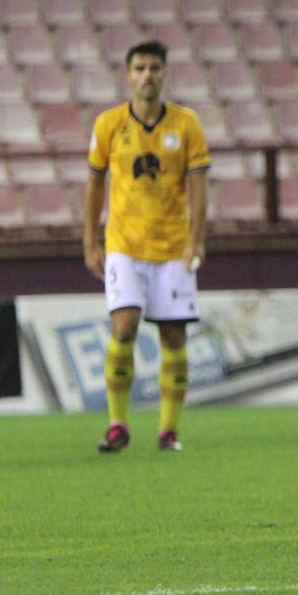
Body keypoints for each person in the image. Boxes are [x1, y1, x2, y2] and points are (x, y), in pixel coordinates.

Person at [84, 40, 210, 453]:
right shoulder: (108, 125)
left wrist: (196, 241)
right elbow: (94, 183)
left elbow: (198, 187)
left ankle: (168, 430)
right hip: (124, 242)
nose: (147, 75)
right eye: (139, 67)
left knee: (173, 335)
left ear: (164, 73)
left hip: (173, 245)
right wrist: (91, 239)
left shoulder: (186, 124)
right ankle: (118, 423)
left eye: (155, 67)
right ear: (128, 74)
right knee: (124, 324)